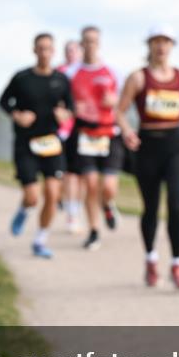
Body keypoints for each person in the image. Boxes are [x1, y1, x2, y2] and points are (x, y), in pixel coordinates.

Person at [116, 25, 179, 289]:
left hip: (176, 145)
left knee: (176, 206)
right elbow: (119, 111)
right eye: (156, 41)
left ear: (172, 46)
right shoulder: (138, 78)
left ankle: (177, 264)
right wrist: (127, 131)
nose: (161, 46)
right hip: (148, 147)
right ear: (149, 45)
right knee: (151, 207)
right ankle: (151, 259)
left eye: (166, 41)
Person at [0, 33, 75, 258]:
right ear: (34, 50)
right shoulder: (22, 77)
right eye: (40, 48)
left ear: (53, 51)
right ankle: (24, 209)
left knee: (52, 193)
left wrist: (65, 114)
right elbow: (3, 102)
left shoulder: (61, 80)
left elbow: (70, 107)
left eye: (48, 48)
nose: (44, 52)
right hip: (26, 143)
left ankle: (40, 240)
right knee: (32, 196)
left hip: (51, 142)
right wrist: (17, 115)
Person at [68, 25, 124, 251]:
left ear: (99, 43)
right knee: (90, 184)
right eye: (87, 40)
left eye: (94, 40)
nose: (90, 44)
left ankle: (108, 205)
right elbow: (64, 102)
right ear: (81, 43)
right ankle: (94, 230)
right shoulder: (72, 73)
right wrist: (73, 109)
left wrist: (115, 102)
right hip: (85, 136)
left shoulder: (112, 72)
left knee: (108, 186)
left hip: (109, 134)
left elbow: (124, 101)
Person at [57, 39, 84, 232]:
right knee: (68, 173)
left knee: (84, 174)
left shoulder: (87, 72)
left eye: (74, 50)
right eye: (68, 50)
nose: (71, 53)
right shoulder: (59, 72)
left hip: (85, 129)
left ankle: (76, 208)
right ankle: (71, 213)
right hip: (65, 129)